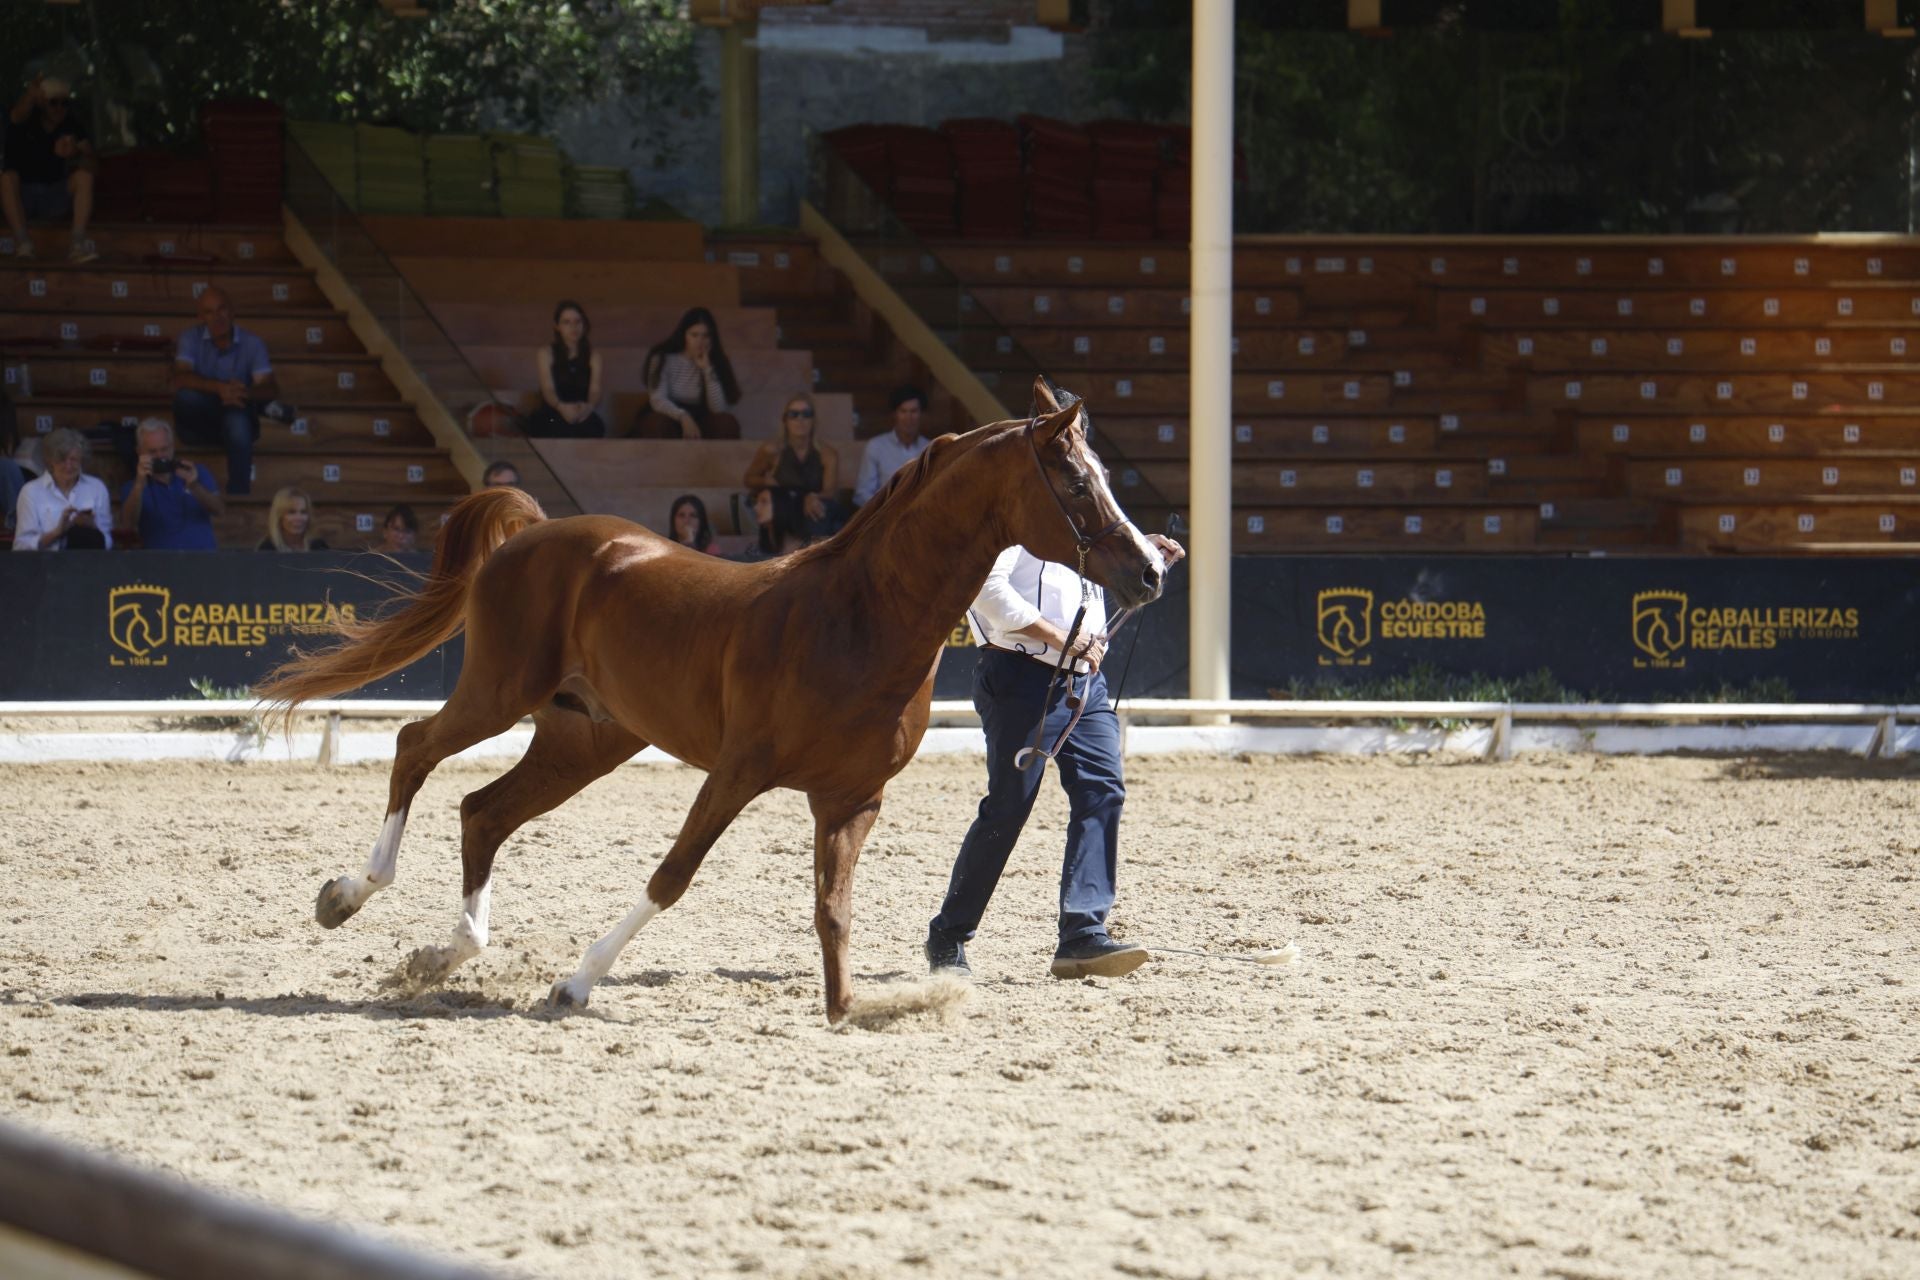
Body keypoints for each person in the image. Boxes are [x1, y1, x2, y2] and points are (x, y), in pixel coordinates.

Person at [926, 531, 1185, 981]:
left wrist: (1143, 554)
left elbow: (1108, 583)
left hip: (1085, 680)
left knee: (1102, 790)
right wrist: (1061, 637)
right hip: (1019, 677)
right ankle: (948, 934)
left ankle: (1082, 932)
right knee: (1008, 808)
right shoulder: (1011, 524)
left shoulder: (1084, 527)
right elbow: (986, 591)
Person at [170, 286, 285, 495]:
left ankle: (238, 495)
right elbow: (180, 378)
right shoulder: (190, 338)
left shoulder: (252, 343)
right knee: (185, 397)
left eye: (221, 309)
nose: (217, 317)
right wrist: (219, 388)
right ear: (200, 316)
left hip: (237, 418)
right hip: (200, 427)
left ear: (232, 311)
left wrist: (244, 393)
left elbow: (270, 388)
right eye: (209, 312)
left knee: (237, 419)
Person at [2, 74, 97, 263]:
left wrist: (76, 153)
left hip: (55, 196)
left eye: (64, 103)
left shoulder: (72, 124)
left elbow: (93, 165)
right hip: (24, 196)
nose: (59, 108)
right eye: (53, 103)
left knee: (84, 177)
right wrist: (30, 96)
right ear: (42, 103)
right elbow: (16, 114)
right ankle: (24, 244)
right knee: (6, 177)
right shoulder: (27, 120)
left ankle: (77, 245)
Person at [742, 393, 842, 539]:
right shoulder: (771, 450)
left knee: (821, 509)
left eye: (806, 414)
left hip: (812, 506)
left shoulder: (827, 454)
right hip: (783, 504)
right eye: (793, 414)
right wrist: (767, 482)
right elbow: (749, 479)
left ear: (813, 420)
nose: (800, 419)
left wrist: (811, 497)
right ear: (785, 420)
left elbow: (830, 492)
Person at [633, 307, 741, 440]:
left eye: (706, 336)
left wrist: (707, 369)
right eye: (694, 335)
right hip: (669, 414)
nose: (700, 341)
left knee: (726, 423)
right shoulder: (662, 358)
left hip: (702, 417)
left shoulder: (717, 361)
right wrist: (684, 417)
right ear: (684, 335)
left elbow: (718, 409)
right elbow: (658, 399)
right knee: (657, 424)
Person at [117, 418, 222, 550]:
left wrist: (195, 486)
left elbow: (219, 510)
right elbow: (128, 524)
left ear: (172, 447)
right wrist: (139, 484)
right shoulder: (132, 487)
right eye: (152, 451)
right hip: (160, 565)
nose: (160, 455)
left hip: (203, 560)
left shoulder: (197, 472)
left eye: (164, 449)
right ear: (139, 452)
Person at [12, 427, 110, 550]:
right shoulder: (31, 492)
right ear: (50, 461)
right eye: (62, 459)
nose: (68, 466)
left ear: (81, 460)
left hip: (88, 564)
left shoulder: (97, 488)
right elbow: (20, 547)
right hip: (44, 565)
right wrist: (57, 532)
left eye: (73, 459)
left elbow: (108, 542)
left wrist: (93, 527)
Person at [525, 300, 605, 438]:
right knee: (558, 428)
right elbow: (548, 389)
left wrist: (588, 408)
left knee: (593, 428)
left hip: (581, 412)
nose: (573, 327)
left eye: (577, 321)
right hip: (553, 411)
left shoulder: (594, 356)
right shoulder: (546, 353)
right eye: (566, 322)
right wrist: (561, 407)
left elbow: (595, 390)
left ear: (584, 324)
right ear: (557, 327)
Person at [853, 384, 931, 508]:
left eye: (913, 411)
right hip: (884, 516)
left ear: (921, 414)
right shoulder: (876, 446)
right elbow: (862, 494)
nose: (908, 418)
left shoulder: (930, 449)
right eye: (903, 411)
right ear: (895, 414)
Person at [730, 486, 808, 562]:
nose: (755, 507)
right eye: (756, 502)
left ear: (781, 505)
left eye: (764, 502)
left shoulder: (806, 551)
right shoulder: (755, 551)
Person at [257, 486, 327, 551]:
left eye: (303, 512)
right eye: (291, 512)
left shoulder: (318, 546)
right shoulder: (267, 548)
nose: (298, 518)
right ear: (279, 516)